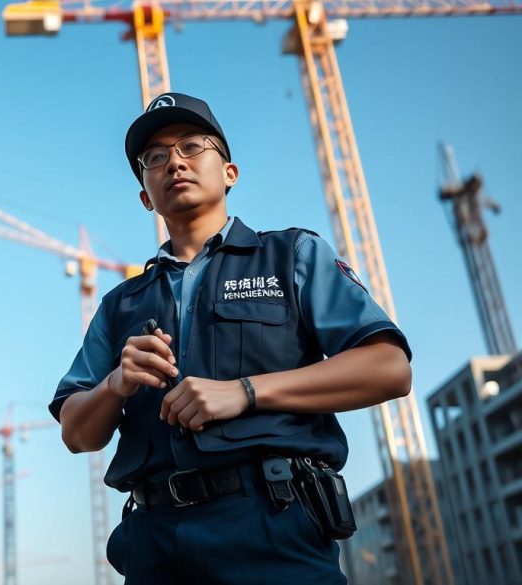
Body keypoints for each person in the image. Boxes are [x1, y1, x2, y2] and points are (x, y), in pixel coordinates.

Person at [50, 93, 412, 583]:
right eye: (155, 158)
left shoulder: (291, 256)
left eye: (192, 147)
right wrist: (116, 383)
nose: (174, 161)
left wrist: (245, 392)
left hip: (272, 526)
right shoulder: (121, 303)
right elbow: (76, 433)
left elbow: (389, 368)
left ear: (230, 172)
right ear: (145, 196)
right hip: (154, 542)